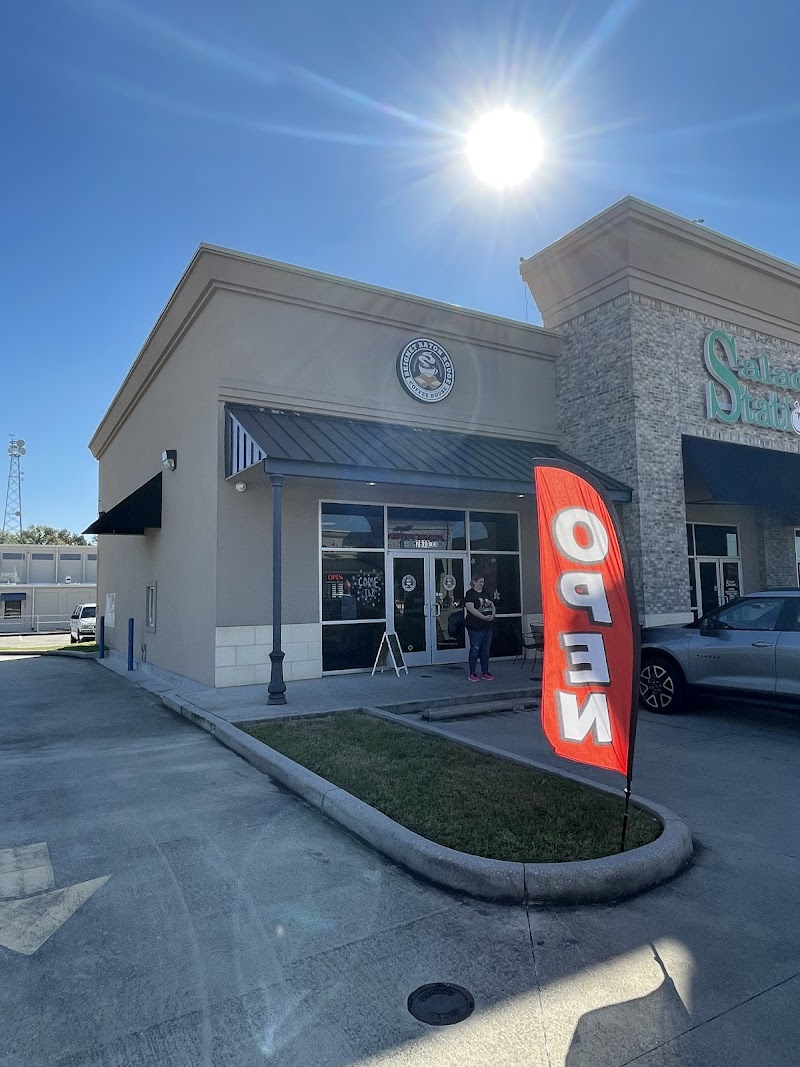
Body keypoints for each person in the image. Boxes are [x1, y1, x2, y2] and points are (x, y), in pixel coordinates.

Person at [464, 574, 496, 682]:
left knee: (485, 650)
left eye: (483, 582)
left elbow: (492, 605)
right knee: (475, 649)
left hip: (488, 627)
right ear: (474, 582)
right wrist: (483, 617)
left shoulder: (485, 592)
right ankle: (472, 673)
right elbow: (470, 608)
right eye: (480, 582)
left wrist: (492, 616)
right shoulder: (470, 594)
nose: (482, 584)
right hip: (475, 627)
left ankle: (485, 672)